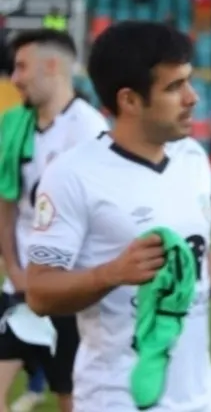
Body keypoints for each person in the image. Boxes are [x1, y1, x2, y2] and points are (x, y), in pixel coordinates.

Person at [22, 21, 211, 412]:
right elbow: (39, 292)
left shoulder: (193, 159)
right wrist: (112, 273)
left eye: (188, 82)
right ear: (130, 100)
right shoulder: (73, 175)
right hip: (117, 400)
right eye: (174, 87)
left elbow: (196, 264)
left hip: (203, 399)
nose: (192, 98)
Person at [0, 29, 108, 412]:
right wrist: (14, 268)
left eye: (21, 67)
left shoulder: (89, 130)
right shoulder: (16, 125)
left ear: (52, 66)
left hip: (69, 293)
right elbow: (7, 202)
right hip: (21, 286)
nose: (14, 78)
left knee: (72, 398)